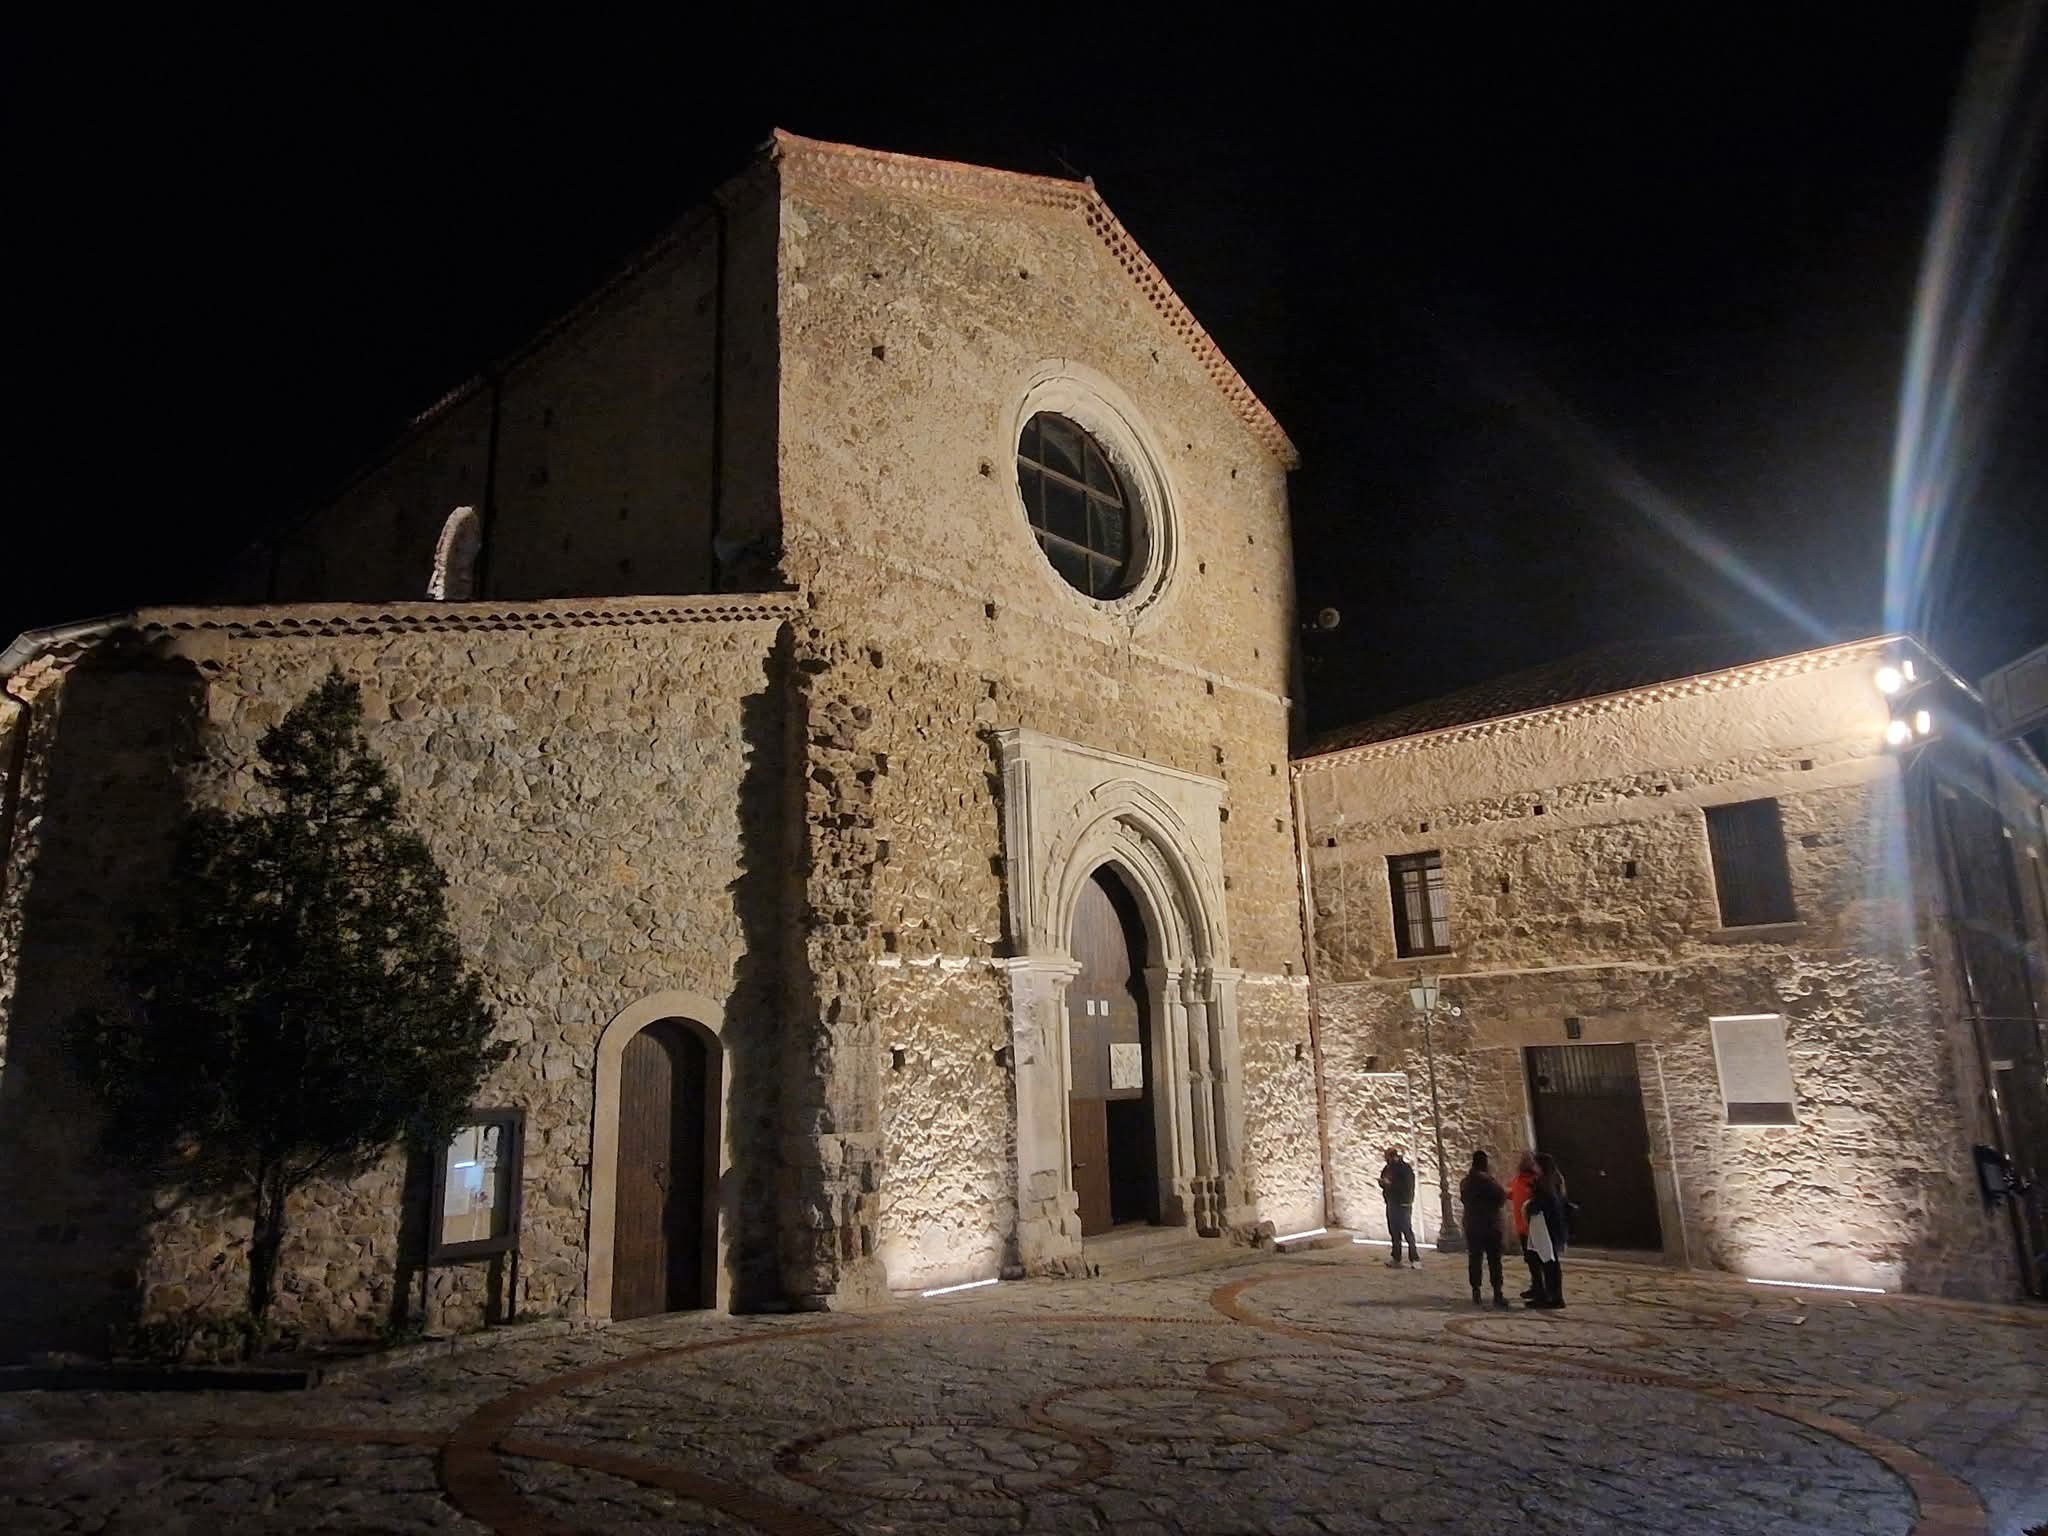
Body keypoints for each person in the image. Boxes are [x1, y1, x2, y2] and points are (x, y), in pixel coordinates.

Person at [1458, 1150, 1510, 1308]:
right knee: (1494, 1260)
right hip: (1490, 1224)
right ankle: (1497, 1292)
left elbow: (1464, 1199)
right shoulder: (1490, 1183)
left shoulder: (1466, 1182)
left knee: (1475, 1258)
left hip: (1473, 1224)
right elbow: (1501, 1199)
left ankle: (1476, 1290)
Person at [1524, 1152, 1570, 1308]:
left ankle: (1553, 1297)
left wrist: (1530, 1206)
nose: (1533, 1167)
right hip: (1548, 1228)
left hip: (1546, 1228)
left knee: (1549, 1263)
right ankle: (1550, 1295)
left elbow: (1543, 1205)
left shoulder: (1546, 1185)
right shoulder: (1551, 1182)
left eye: (1535, 1164)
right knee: (1548, 1263)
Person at [1507, 1152, 1541, 1300]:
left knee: (1537, 1259)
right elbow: (1513, 1194)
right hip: (1523, 1226)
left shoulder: (1536, 1181)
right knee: (1531, 1259)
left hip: (1534, 1226)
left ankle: (1541, 1288)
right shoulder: (1518, 1180)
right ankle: (1536, 1286)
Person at [1378, 1146, 1420, 1266]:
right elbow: (1385, 1180)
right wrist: (1383, 1184)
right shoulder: (1388, 1168)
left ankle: (1415, 1258)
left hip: (1403, 1203)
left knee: (1407, 1231)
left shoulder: (1404, 1169)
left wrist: (1390, 1184)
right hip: (1392, 1202)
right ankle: (1396, 1258)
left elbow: (1407, 1186)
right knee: (1394, 1231)